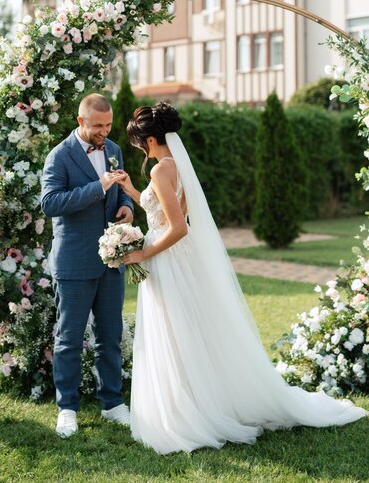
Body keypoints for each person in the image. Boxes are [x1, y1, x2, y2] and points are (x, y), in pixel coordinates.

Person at [116, 101, 367, 455]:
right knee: (184, 331)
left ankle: (188, 412)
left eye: (138, 141)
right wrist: (130, 190)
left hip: (167, 258)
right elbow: (160, 211)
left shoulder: (160, 171)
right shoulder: (174, 166)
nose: (137, 147)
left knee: (176, 332)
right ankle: (194, 402)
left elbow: (176, 228)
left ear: (151, 139)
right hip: (175, 260)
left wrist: (144, 253)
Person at [41, 93, 133, 438]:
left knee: (110, 336)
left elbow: (121, 191)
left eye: (108, 126)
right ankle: (67, 408)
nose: (104, 132)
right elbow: (50, 203)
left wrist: (126, 207)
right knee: (69, 339)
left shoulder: (112, 149)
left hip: (112, 261)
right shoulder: (59, 156)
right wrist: (98, 187)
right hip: (74, 262)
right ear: (81, 122)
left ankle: (112, 403)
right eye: (98, 126)